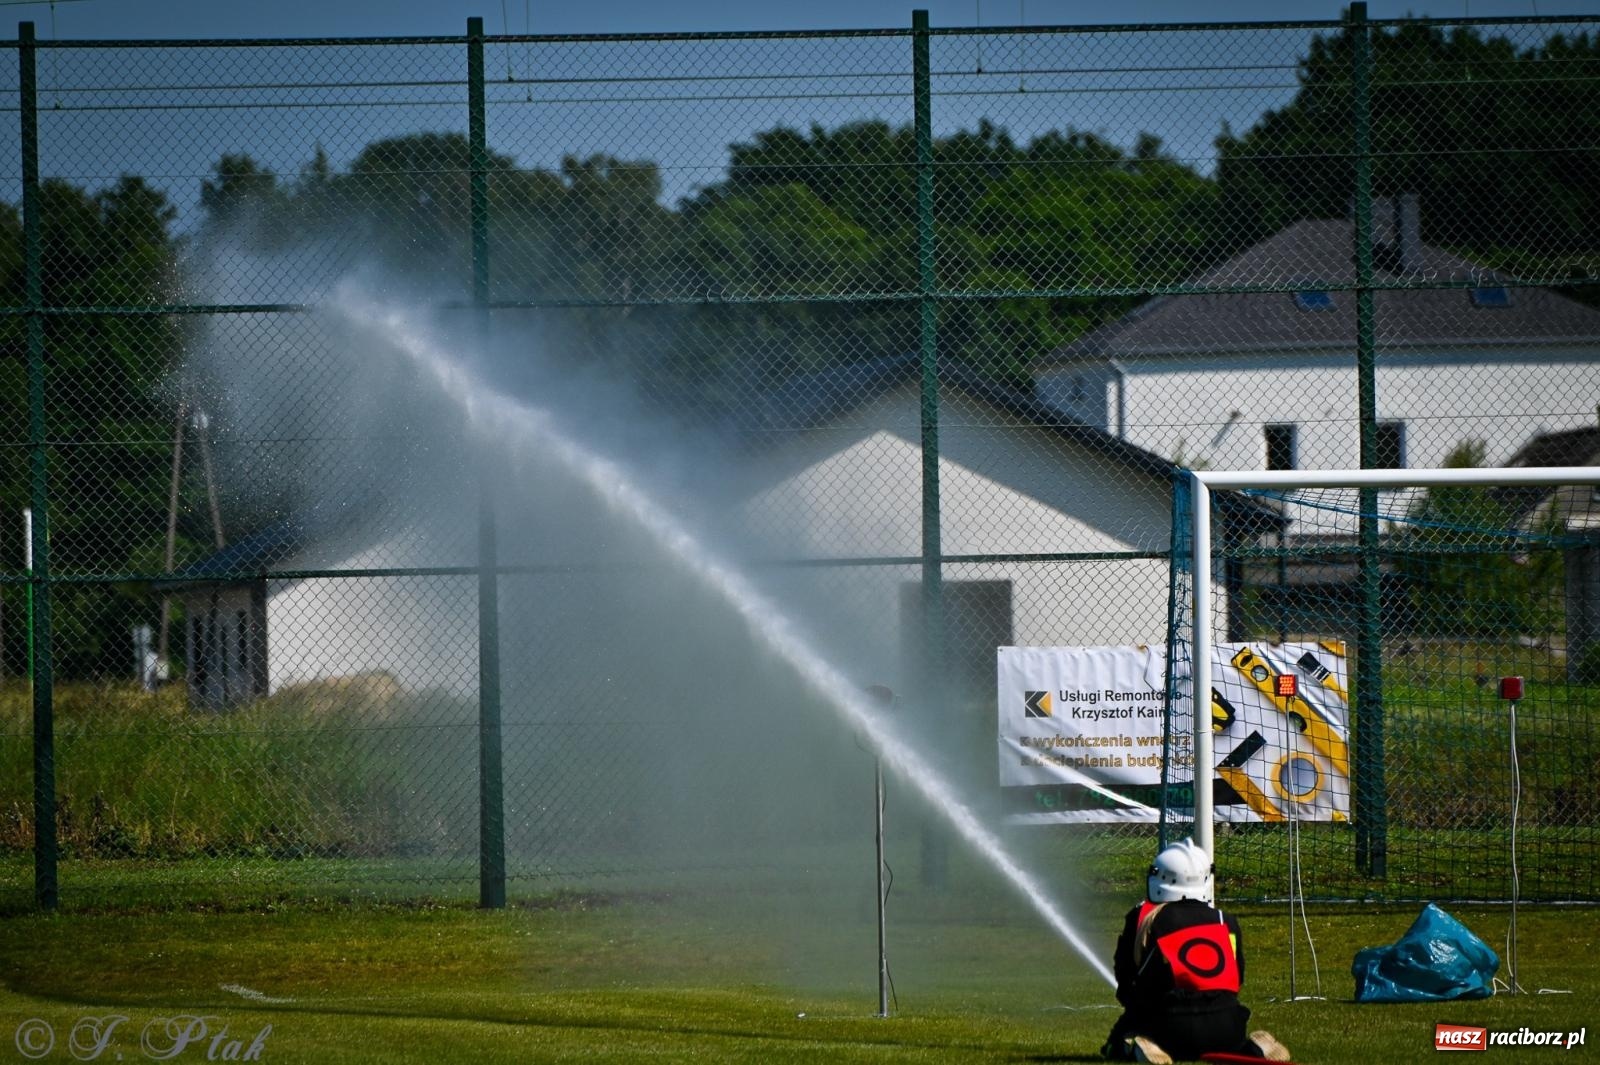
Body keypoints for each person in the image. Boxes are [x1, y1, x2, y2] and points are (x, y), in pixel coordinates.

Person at [1100, 838, 1291, 1064]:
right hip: (1227, 1025)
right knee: (1227, 1047)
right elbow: (1237, 976)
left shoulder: (1147, 918)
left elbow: (1127, 972)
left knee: (1117, 1043)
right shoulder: (1225, 921)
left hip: (1170, 1023)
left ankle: (1140, 1045)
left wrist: (1132, 1008)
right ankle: (1253, 1048)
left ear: (1159, 878)